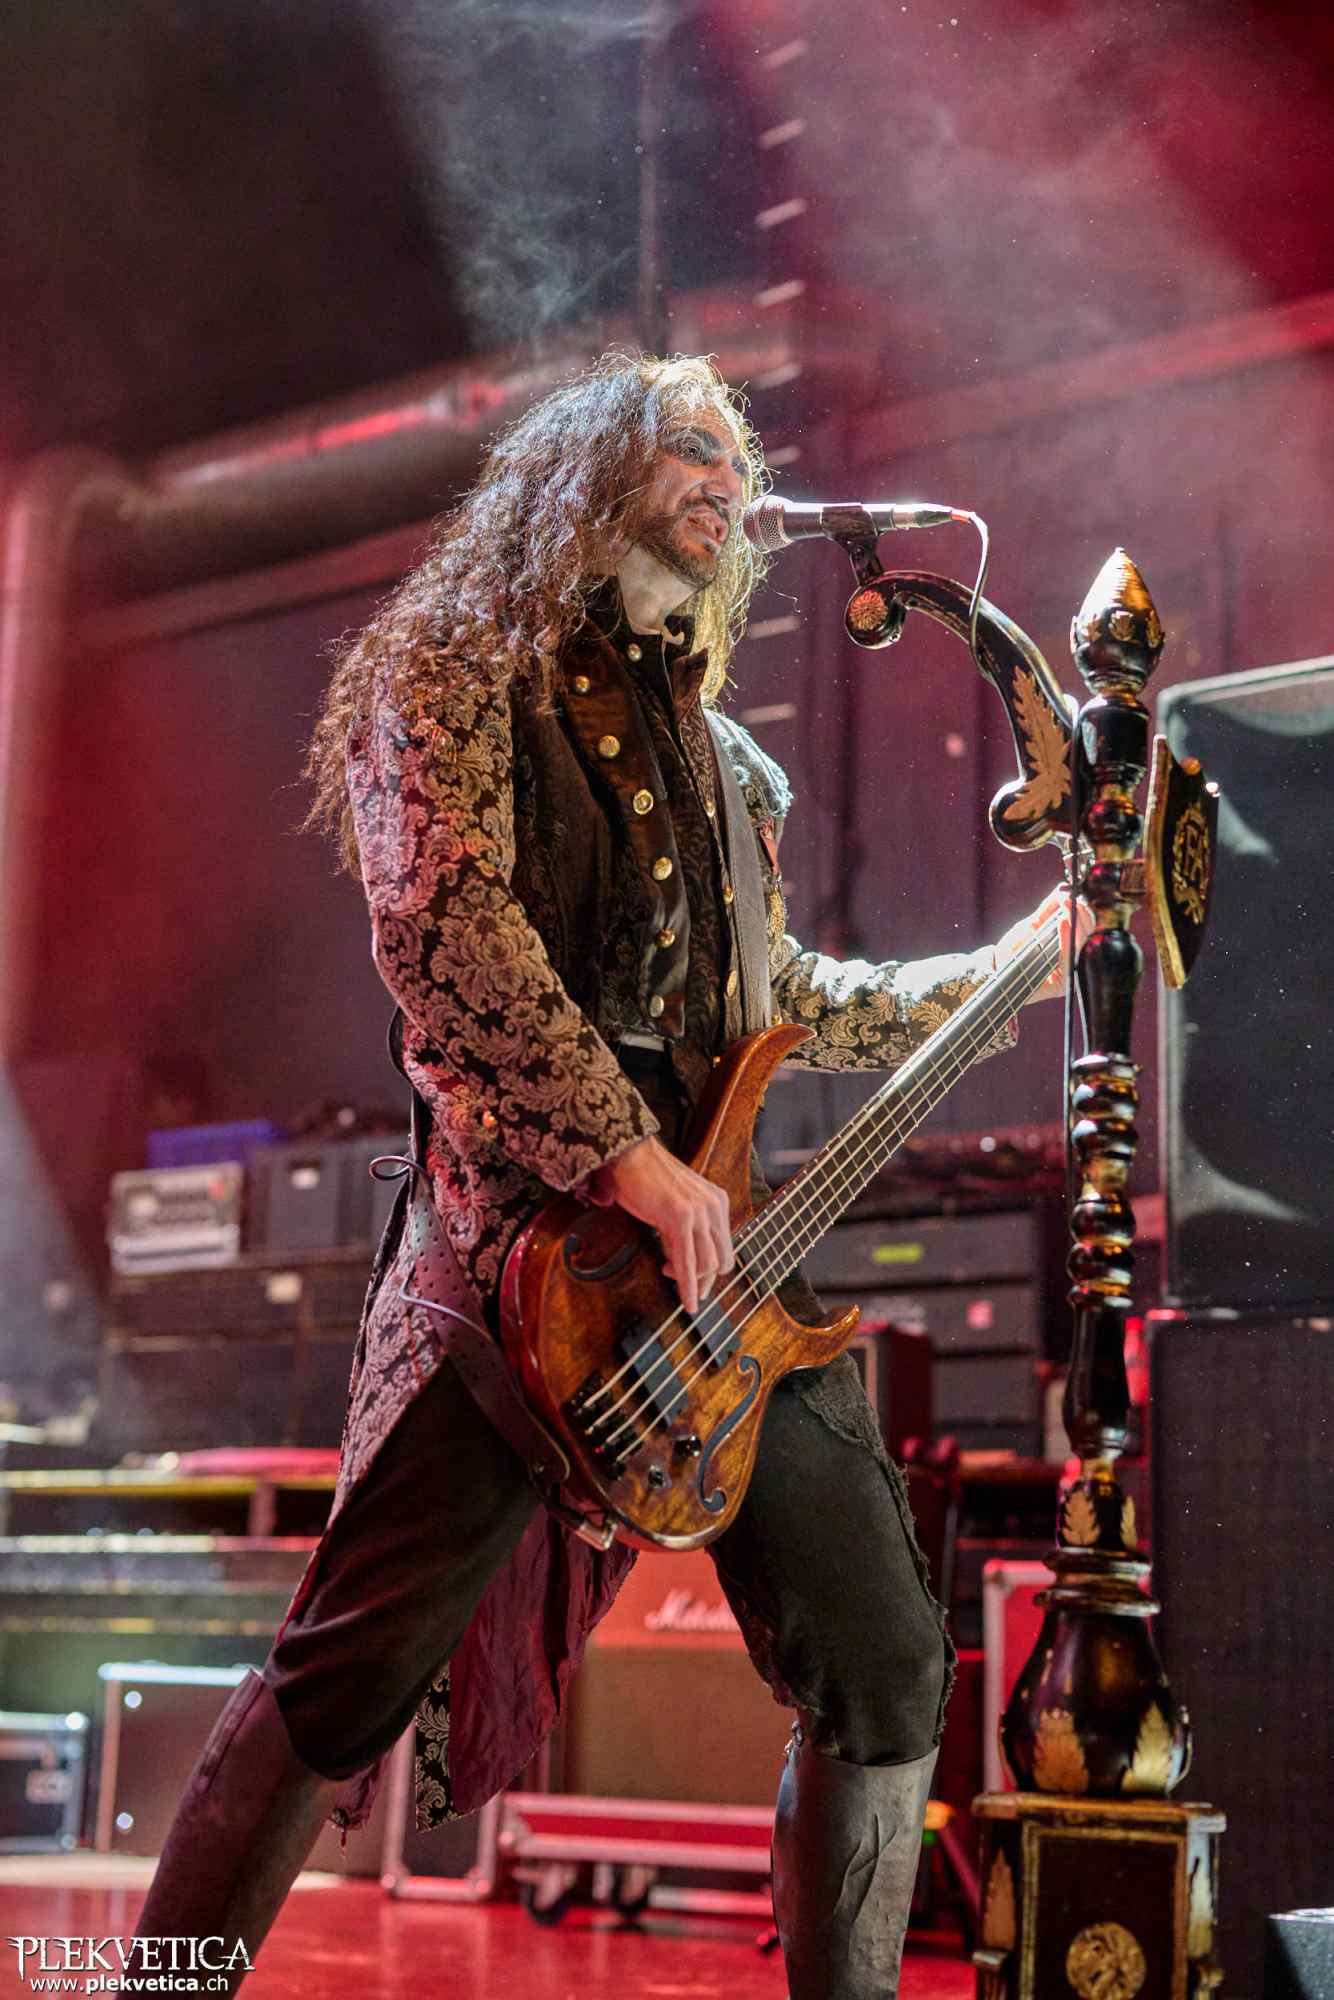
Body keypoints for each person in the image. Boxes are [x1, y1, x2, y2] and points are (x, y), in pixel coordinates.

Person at [131, 353, 1074, 1998]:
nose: (729, 484)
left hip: (720, 1282)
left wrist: (1004, 971)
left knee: (884, 1666)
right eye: (690, 450)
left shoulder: (730, 763)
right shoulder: (448, 666)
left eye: (738, 460)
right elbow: (446, 934)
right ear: (586, 475)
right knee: (346, 1675)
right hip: (515, 1267)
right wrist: (624, 1157)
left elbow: (787, 1004)